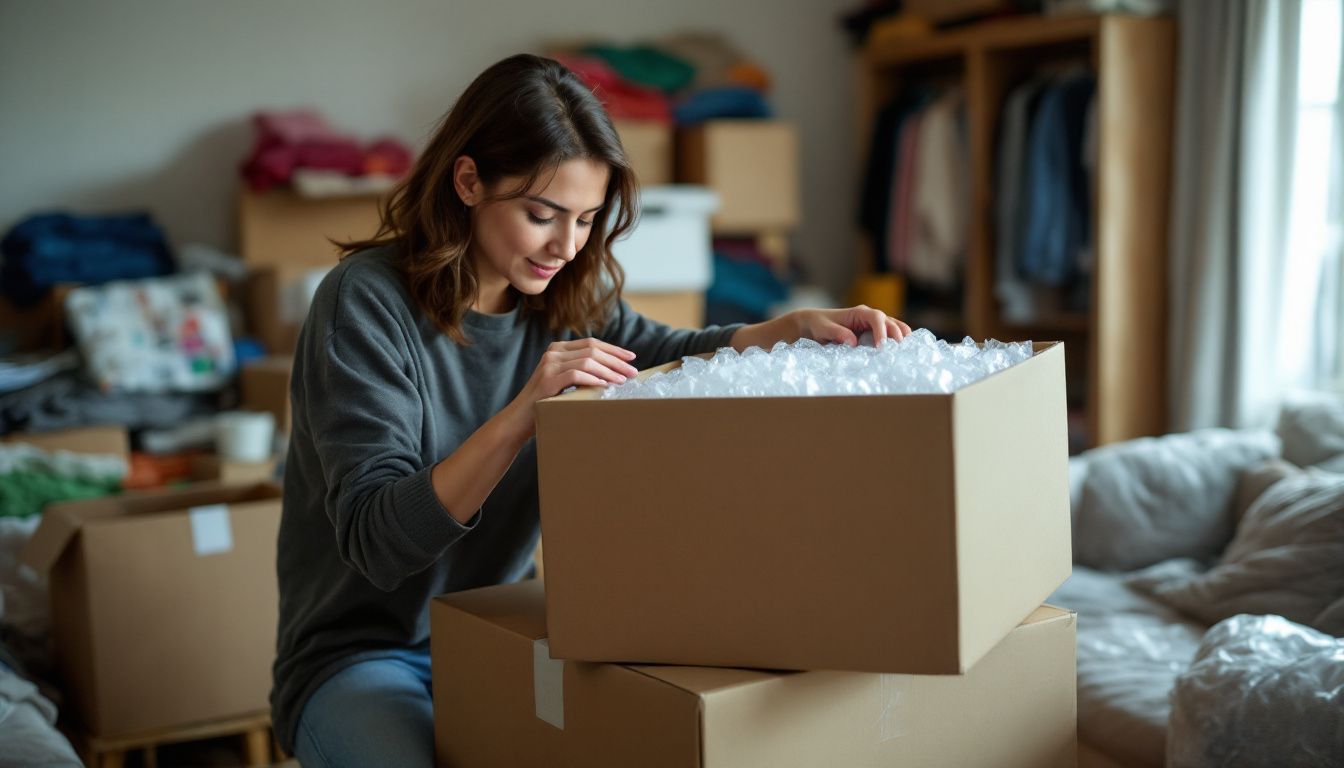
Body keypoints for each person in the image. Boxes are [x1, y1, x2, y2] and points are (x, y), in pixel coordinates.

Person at [271, 53, 911, 767]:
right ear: (469, 179)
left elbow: (662, 352)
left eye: (583, 219)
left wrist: (778, 331)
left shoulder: (568, 294)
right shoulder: (363, 303)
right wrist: (523, 415)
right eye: (541, 215)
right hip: (361, 657)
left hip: (493, 632)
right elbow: (377, 542)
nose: (566, 246)